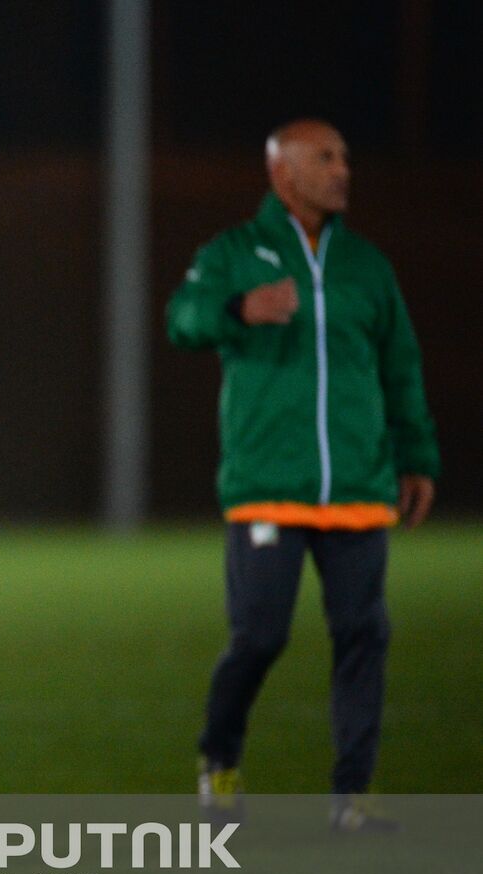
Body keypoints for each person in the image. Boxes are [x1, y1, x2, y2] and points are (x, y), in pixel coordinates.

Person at [167, 119, 440, 832]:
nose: (342, 169)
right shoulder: (234, 252)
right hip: (266, 484)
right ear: (281, 172)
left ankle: (352, 795)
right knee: (258, 637)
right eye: (325, 157)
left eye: (345, 156)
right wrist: (235, 308)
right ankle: (218, 759)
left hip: (355, 487)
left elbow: (400, 366)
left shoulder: (366, 267)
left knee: (362, 634)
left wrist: (415, 458)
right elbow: (182, 317)